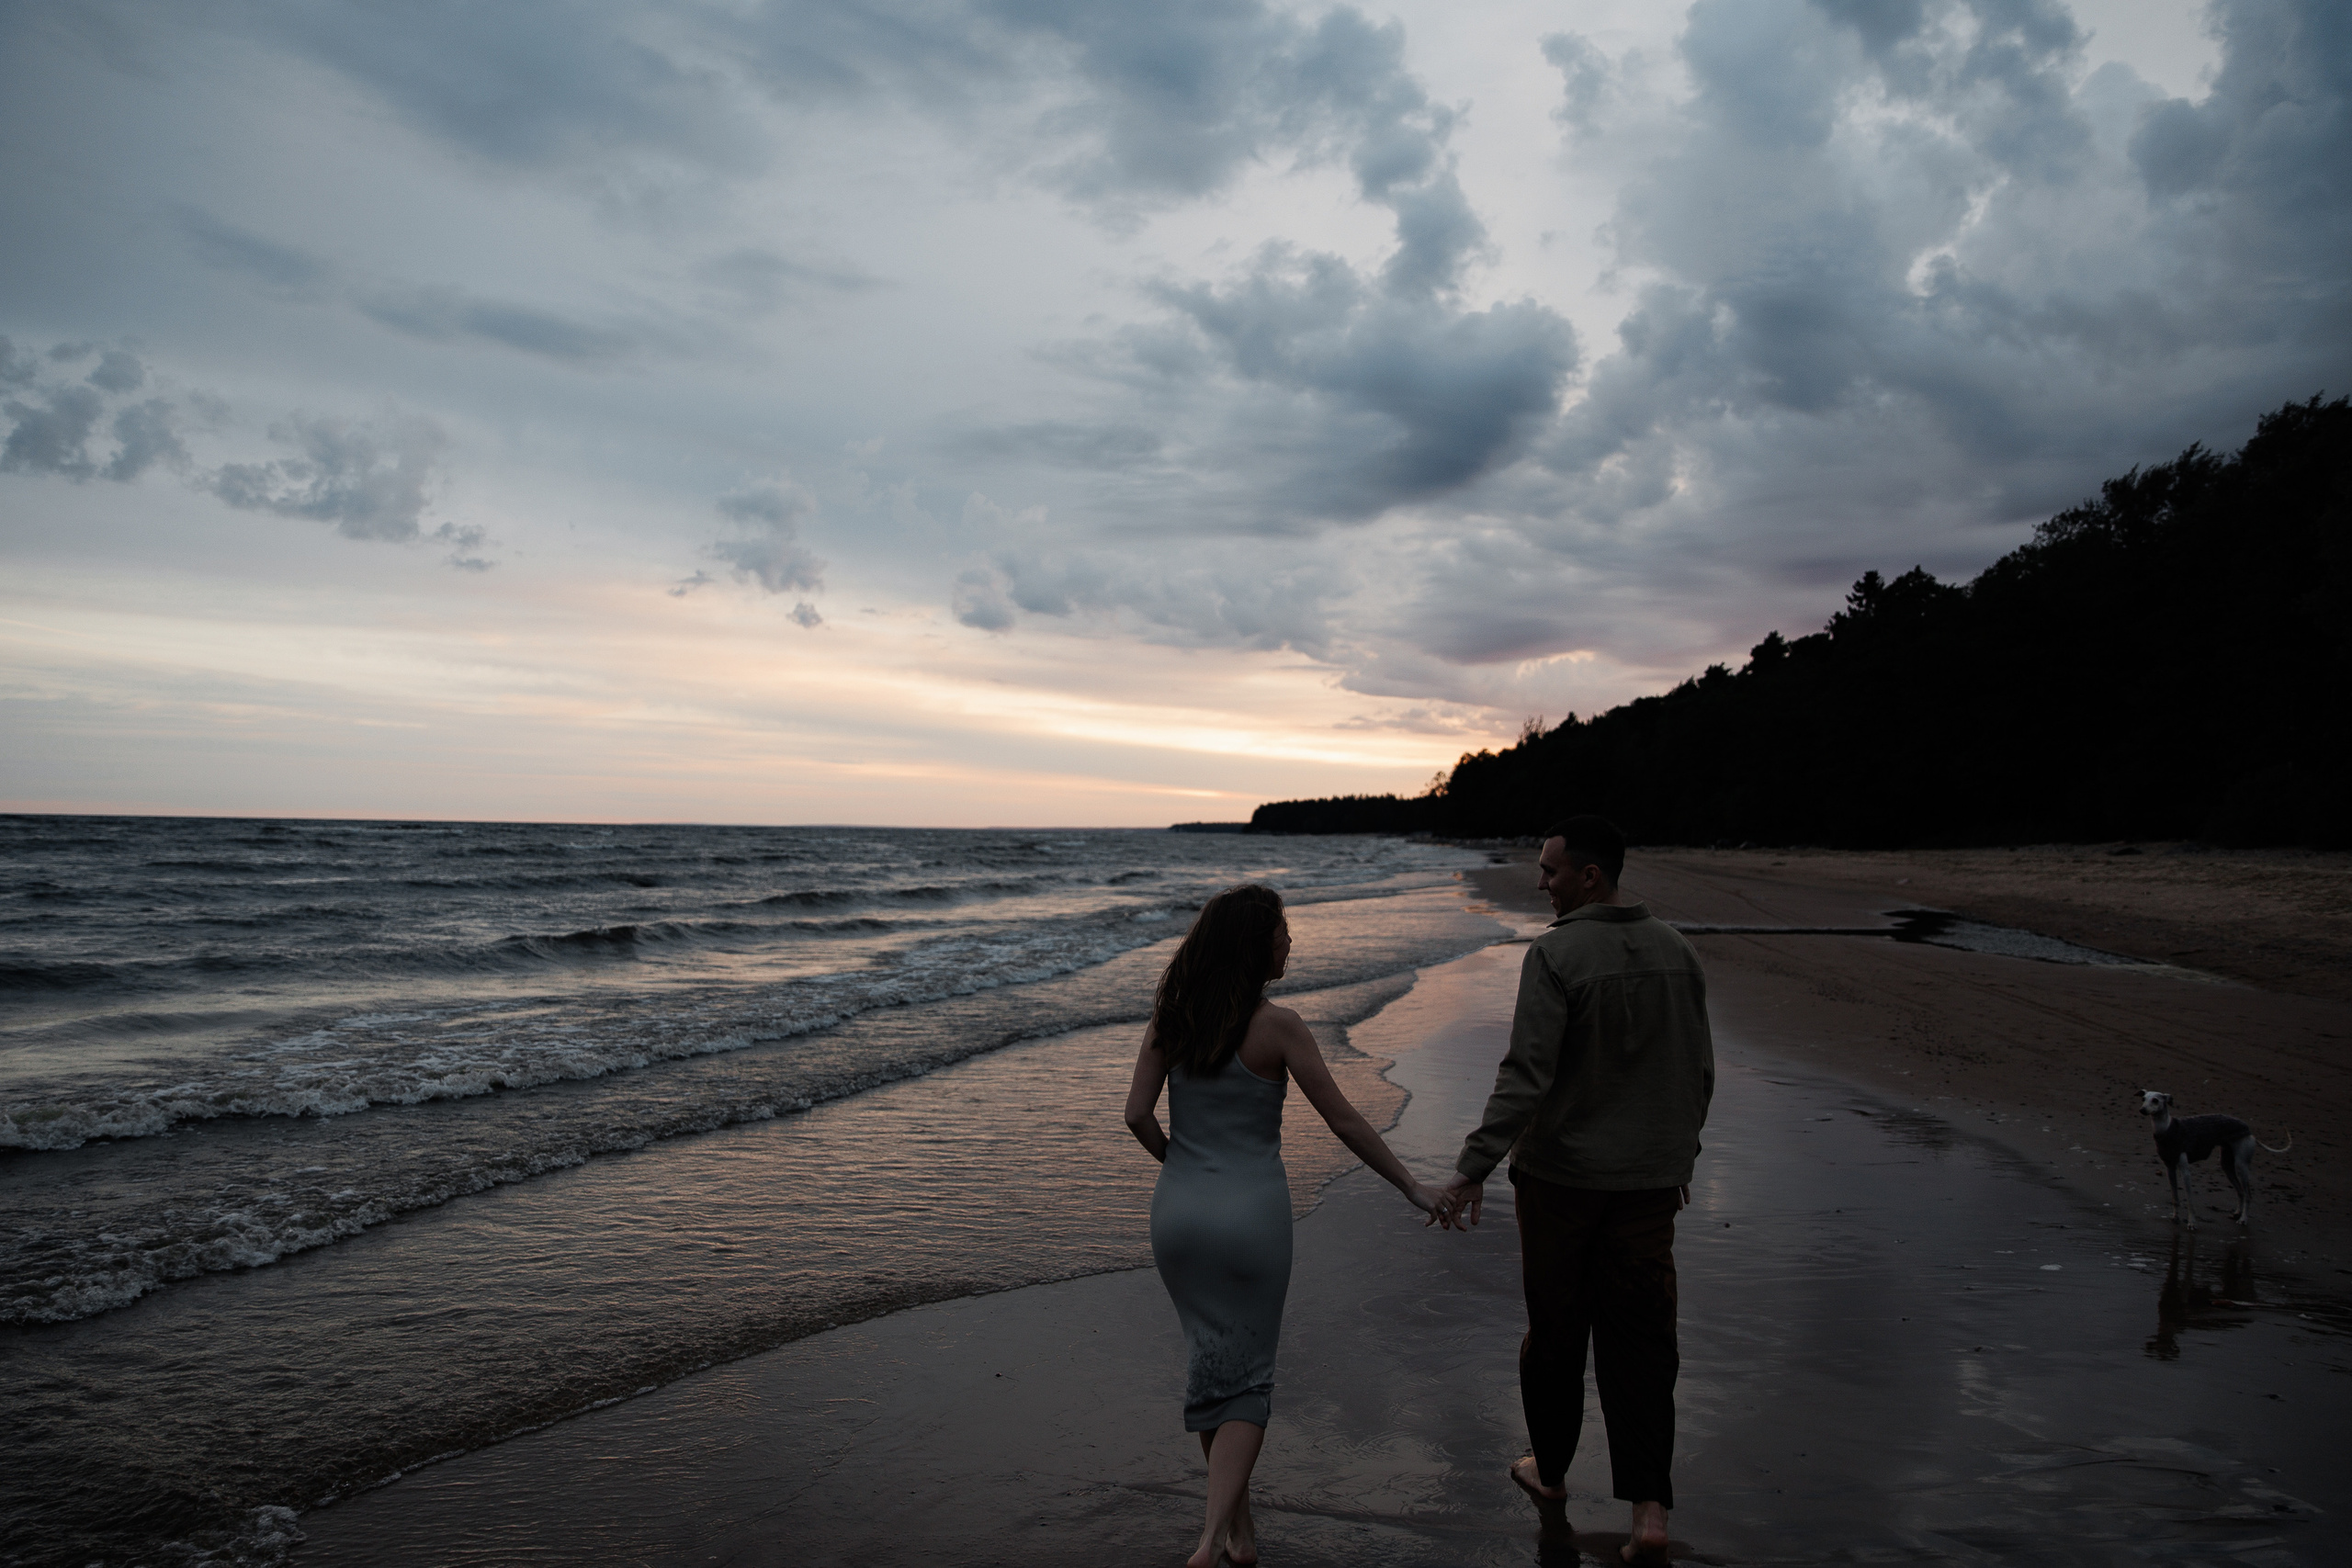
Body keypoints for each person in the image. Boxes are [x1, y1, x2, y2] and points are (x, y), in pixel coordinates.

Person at [1125, 883, 1451, 1568]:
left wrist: (1181, 1165)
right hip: (1252, 1221)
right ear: (1255, 943)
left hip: (1177, 1216)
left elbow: (1136, 1115)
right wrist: (1412, 1185)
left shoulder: (1171, 1016)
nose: (1291, 940)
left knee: (1214, 1365)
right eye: (1282, 929)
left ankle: (1241, 1536)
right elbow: (1343, 1118)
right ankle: (1211, 1538)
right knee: (1247, 1381)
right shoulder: (1279, 1025)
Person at [1435, 817, 1713, 1564]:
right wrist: (1678, 1159)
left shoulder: (1556, 952)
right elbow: (1698, 1071)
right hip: (1651, 1183)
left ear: (1591, 876)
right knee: (1644, 1338)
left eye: (1551, 870)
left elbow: (1526, 1075)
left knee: (1557, 1332)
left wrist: (1472, 1167)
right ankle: (1648, 1512)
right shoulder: (1677, 950)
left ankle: (1550, 1475)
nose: (1541, 881)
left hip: (1562, 1181)